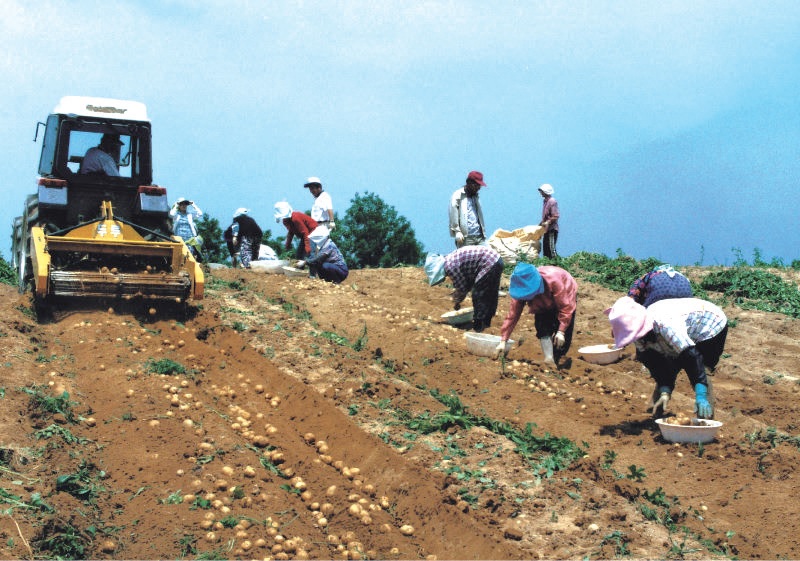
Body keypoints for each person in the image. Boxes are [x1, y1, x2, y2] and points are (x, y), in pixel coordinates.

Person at [605, 296, 727, 419]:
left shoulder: (666, 325)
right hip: (683, 328)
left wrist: (700, 394)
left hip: (710, 325)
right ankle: (656, 410)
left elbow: (692, 358)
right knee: (669, 361)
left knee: (701, 369)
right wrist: (665, 389)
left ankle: (705, 420)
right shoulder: (638, 334)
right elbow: (653, 361)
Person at [494, 263, 578, 366]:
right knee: (542, 325)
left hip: (565, 292)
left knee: (562, 334)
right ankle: (549, 359)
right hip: (542, 302)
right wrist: (503, 340)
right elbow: (513, 315)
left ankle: (558, 357)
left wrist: (561, 331)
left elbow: (566, 308)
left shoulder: (554, 281)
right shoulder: (520, 289)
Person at [424, 245, 504, 332]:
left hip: (488, 262)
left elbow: (462, 288)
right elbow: (467, 282)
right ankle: (487, 321)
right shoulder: (450, 259)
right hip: (496, 259)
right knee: (491, 293)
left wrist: (457, 301)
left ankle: (479, 325)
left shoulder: (450, 266)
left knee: (478, 294)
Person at [449, 171, 488, 248]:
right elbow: (453, 213)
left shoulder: (476, 197)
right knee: (467, 259)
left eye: (479, 185)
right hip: (466, 238)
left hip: (479, 237)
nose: (478, 188)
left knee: (486, 258)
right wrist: (457, 231)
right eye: (476, 185)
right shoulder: (458, 195)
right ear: (469, 183)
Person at [628, 264, 693, 307]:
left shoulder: (651, 274)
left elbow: (634, 291)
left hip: (661, 290)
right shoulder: (679, 274)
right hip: (685, 288)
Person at [169, 197, 205, 261]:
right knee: (179, 253)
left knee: (189, 254)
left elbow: (200, 214)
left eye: (185, 204)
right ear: (179, 205)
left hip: (189, 238)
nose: (183, 206)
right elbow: (171, 214)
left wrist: (193, 205)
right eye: (181, 204)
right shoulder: (176, 215)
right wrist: (176, 205)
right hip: (179, 237)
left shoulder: (190, 214)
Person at [538, 184, 559, 258]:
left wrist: (548, 222)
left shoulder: (552, 201)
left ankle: (556, 263)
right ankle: (547, 265)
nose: (540, 193)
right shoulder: (545, 201)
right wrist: (540, 224)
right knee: (546, 249)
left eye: (542, 191)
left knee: (551, 249)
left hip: (551, 230)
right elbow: (546, 216)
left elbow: (555, 216)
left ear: (545, 192)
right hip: (546, 230)